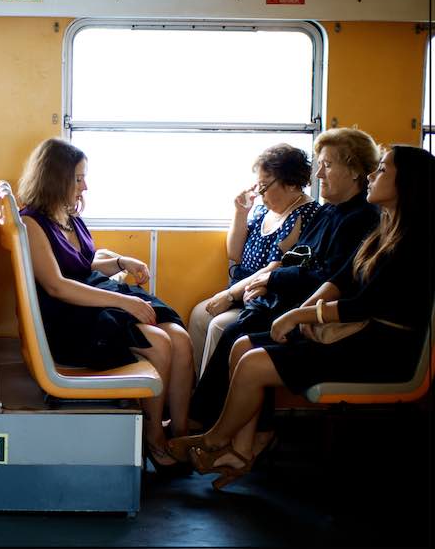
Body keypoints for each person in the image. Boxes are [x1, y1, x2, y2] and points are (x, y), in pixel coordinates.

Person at [169, 145, 435, 489]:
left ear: (406, 183)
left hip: (381, 348)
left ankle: (214, 439)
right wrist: (302, 313)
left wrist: (299, 316)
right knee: (243, 346)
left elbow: (365, 304)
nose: (373, 175)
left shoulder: (413, 241)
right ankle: (240, 450)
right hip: (357, 334)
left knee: (252, 362)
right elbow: (341, 279)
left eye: (382, 170)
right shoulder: (385, 229)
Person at [187, 128, 381, 434]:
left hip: (314, 313)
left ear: (355, 170)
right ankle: (231, 430)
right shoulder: (330, 211)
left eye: (327, 165)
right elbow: (298, 259)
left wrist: (273, 281)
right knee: (235, 334)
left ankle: (207, 424)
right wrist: (271, 279)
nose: (319, 174)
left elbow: (330, 277)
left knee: (236, 333)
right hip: (289, 296)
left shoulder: (360, 218)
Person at [18, 138, 194, 474]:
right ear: (56, 178)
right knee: (159, 342)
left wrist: (120, 261)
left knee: (181, 340)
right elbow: (57, 285)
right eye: (78, 178)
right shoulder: (31, 223)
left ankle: (179, 433)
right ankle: (153, 438)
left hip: (91, 299)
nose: (85, 185)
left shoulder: (68, 215)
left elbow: (82, 265)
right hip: (68, 318)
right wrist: (123, 300)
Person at [188, 144, 319, 377]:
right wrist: (240, 213)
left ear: (290, 182)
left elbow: (275, 266)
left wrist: (229, 296)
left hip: (267, 296)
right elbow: (235, 254)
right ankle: (195, 391)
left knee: (220, 325)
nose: (260, 193)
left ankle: (216, 403)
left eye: (265, 186)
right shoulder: (262, 211)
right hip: (243, 286)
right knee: (200, 315)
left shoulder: (304, 214)